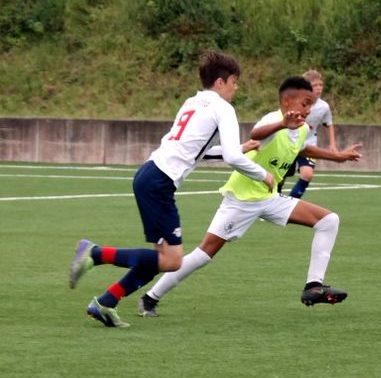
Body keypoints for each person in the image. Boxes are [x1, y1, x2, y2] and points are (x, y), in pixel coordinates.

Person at [69, 51, 275, 328]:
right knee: (172, 261)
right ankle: (94, 253)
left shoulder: (193, 101)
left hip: (149, 174)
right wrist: (263, 174)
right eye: (234, 82)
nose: (236, 88)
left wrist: (239, 148)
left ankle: (106, 302)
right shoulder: (223, 108)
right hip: (159, 182)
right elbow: (231, 158)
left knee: (161, 258)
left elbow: (198, 152)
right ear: (220, 82)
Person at [137, 76, 363, 317]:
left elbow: (303, 148)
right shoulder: (273, 120)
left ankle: (313, 286)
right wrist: (282, 124)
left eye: (311, 105)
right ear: (287, 102)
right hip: (242, 200)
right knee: (205, 254)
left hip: (270, 198)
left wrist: (338, 156)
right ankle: (150, 298)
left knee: (328, 220)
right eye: (305, 104)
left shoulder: (302, 129)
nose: (309, 110)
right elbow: (257, 132)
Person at [277, 69, 336, 198]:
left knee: (307, 174)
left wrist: (332, 144)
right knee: (281, 176)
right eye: (315, 85)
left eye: (321, 85)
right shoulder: (295, 103)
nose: (319, 88)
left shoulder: (324, 106)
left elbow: (328, 123)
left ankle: (292, 202)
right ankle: (275, 199)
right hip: (290, 142)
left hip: (308, 144)